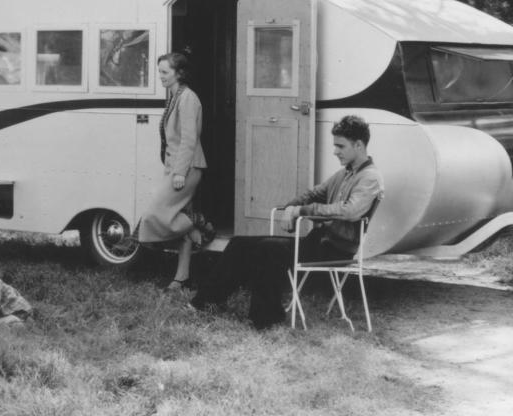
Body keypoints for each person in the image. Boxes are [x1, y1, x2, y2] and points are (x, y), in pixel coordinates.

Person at [190, 114, 383, 329]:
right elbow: (314, 194)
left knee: (269, 249)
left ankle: (265, 319)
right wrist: (290, 207)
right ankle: (205, 303)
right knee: (239, 243)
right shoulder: (343, 174)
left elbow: (350, 212)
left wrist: (300, 210)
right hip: (318, 242)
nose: (335, 151)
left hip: (336, 250)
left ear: (358, 145)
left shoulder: (370, 177)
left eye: (340, 146)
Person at [136, 51, 210, 292]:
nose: (161, 77)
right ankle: (182, 278)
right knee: (171, 220)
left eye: (165, 72)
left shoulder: (187, 98)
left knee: (153, 216)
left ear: (179, 73)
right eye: (159, 72)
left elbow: (189, 139)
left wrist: (179, 172)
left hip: (186, 169)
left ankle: (196, 224)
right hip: (176, 168)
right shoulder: (175, 97)